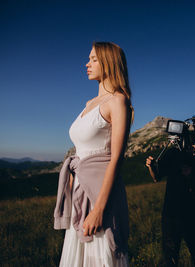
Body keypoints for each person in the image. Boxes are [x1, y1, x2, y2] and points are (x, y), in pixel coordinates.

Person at [54, 42, 134, 266]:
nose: (87, 64)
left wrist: (99, 209)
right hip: (81, 192)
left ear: (109, 63)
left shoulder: (118, 101)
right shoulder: (89, 103)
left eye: (94, 59)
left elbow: (116, 159)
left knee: (100, 256)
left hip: (101, 196)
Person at [145, 137, 195, 266]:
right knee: (170, 257)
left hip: (192, 214)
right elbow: (156, 177)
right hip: (171, 215)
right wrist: (151, 167)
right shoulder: (173, 155)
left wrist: (191, 173)